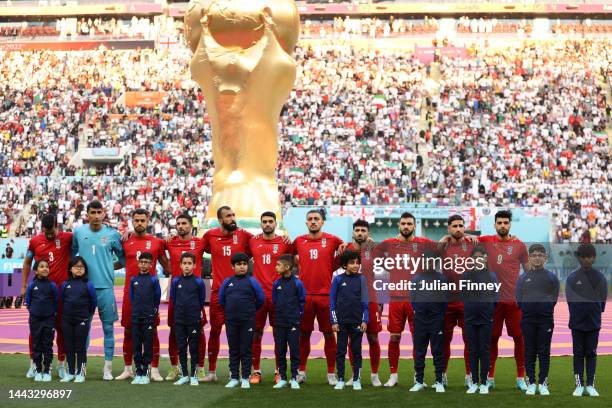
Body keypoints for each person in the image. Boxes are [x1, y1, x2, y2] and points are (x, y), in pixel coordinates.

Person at [72, 200, 125, 380]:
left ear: (104, 214)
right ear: (87, 214)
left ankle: (107, 370)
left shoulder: (112, 234)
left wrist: (109, 266)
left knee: (108, 329)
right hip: (84, 288)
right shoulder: (79, 232)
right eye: (92, 212)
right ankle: (81, 369)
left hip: (105, 288)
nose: (96, 216)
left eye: (99, 212)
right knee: (83, 329)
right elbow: (72, 256)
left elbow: (123, 260)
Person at [201, 206, 253, 383]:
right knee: (215, 332)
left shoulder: (244, 235)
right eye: (228, 216)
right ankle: (212, 371)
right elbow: (197, 248)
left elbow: (260, 247)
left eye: (233, 215)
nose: (232, 218)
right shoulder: (209, 236)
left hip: (241, 294)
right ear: (220, 220)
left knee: (243, 333)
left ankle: (246, 372)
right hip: (218, 294)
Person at [478, 210, 529, 390]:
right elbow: (465, 238)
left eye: (505, 223)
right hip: (493, 302)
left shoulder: (519, 245)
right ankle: (490, 377)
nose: (502, 226)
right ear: (494, 225)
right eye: (499, 223)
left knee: (519, 338)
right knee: (492, 338)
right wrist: (447, 238)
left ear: (510, 224)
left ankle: (520, 378)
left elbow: (529, 271)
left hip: (514, 301)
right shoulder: (487, 241)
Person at [383, 212, 435, 387]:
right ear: (399, 225)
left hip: (417, 300)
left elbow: (446, 245)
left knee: (418, 339)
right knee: (394, 337)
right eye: (403, 223)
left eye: (409, 224)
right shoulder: (388, 244)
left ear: (414, 225)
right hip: (396, 298)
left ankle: (417, 376)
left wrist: (465, 235)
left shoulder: (424, 243)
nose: (406, 226)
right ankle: (393, 375)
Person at [293, 209, 344, 385]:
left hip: (326, 296)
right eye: (310, 219)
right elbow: (287, 256)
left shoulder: (333, 240)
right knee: (303, 335)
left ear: (322, 222)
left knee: (330, 335)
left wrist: (332, 265)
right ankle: (301, 371)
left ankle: (331, 373)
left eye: (316, 219)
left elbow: (345, 251)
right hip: (304, 296)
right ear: (306, 223)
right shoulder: (298, 240)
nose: (313, 221)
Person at [118, 209, 169, 382]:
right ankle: (128, 369)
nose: (139, 223)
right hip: (129, 293)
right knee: (128, 330)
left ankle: (153, 369)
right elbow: (119, 262)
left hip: (149, 296)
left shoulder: (156, 242)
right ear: (132, 221)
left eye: (142, 220)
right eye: (136, 220)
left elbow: (167, 266)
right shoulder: (125, 240)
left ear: (148, 221)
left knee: (152, 331)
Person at [21, 213, 73, 379]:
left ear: (57, 226)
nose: (50, 235)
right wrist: (23, 285)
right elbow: (28, 262)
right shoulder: (35, 241)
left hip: (61, 294)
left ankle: (61, 365)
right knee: (35, 332)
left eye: (52, 231)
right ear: (42, 228)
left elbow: (88, 234)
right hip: (40, 295)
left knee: (61, 330)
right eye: (46, 231)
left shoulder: (67, 237)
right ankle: (34, 366)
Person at [248, 211, 293, 384]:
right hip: (258, 296)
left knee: (279, 334)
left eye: (270, 221)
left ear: (276, 224)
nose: (267, 224)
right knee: (256, 334)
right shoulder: (253, 241)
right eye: (264, 221)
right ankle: (256, 371)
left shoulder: (284, 242)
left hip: (278, 295)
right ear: (261, 224)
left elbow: (295, 257)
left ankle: (279, 371)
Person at [337, 220, 382, 387]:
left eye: (363, 230)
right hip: (351, 302)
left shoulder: (374, 249)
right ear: (353, 232)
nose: (360, 233)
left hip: (370, 299)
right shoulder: (345, 249)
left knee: (373, 337)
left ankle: (374, 375)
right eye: (357, 230)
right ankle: (355, 374)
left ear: (368, 233)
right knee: (352, 338)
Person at [164, 213, 208, 381]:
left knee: (200, 332)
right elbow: (155, 248)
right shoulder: (169, 242)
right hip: (177, 295)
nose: (180, 226)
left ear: (191, 225)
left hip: (194, 297)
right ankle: (175, 367)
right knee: (174, 332)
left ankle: (200, 367)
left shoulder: (200, 242)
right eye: (178, 223)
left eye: (184, 223)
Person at [516, 244, 559, 396]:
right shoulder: (523, 278)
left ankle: (543, 383)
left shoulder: (551, 278)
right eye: (533, 255)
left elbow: (553, 299)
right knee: (529, 352)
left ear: (545, 258)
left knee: (544, 352)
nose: (537, 258)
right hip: (528, 320)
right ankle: (531, 383)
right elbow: (519, 301)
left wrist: (544, 308)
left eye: (540, 255)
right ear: (529, 258)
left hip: (545, 321)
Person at [566, 243, 607, 397]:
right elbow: (570, 300)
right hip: (577, 323)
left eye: (589, 257)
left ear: (594, 258)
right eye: (582, 257)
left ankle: (590, 385)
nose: (585, 260)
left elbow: (602, 301)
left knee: (591, 353)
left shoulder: (600, 277)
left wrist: (595, 312)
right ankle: (578, 385)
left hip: (593, 323)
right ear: (579, 258)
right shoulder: (572, 277)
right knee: (578, 353)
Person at [219, 252, 265, 389]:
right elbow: (221, 300)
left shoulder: (252, 281)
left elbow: (261, 299)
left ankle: (245, 377)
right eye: (239, 264)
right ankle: (234, 377)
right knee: (233, 350)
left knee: (246, 349)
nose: (242, 267)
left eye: (245, 264)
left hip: (247, 321)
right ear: (233, 266)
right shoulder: (227, 282)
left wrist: (250, 311)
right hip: (231, 321)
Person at [441, 214, 473, 387]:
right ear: (449, 228)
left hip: (467, 300)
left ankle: (469, 375)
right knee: (444, 339)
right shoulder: (442, 246)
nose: (458, 229)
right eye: (454, 226)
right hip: (447, 301)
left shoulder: (473, 244)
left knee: (469, 339)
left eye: (461, 225)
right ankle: (442, 374)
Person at [409, 251, 448, 393]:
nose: (428, 264)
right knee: (419, 351)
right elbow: (412, 300)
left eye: (430, 261)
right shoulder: (415, 279)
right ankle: (419, 381)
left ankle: (439, 381)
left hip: (436, 319)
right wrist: (420, 312)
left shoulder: (442, 279)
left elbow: (445, 301)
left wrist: (438, 315)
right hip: (420, 319)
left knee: (438, 351)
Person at [330, 250, 368, 391]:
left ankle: (357, 379)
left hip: (357, 322)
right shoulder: (338, 280)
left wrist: (365, 320)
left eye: (357, 263)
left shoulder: (362, 279)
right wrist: (334, 321)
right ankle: (340, 379)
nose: (355, 265)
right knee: (340, 351)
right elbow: (332, 301)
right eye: (352, 263)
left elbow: (365, 302)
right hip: (341, 322)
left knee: (356, 351)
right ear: (345, 265)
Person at [462, 247, 498, 394]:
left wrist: (487, 310)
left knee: (484, 350)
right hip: (470, 318)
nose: (477, 260)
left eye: (480, 257)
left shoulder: (491, 276)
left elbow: (495, 297)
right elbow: (464, 295)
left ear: (485, 259)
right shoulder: (465, 276)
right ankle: (474, 382)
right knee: (472, 350)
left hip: (485, 319)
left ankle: (484, 383)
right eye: (475, 257)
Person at [170, 252, 206, 386]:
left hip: (193, 320)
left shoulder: (198, 282)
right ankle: (184, 375)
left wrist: (194, 312)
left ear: (194, 265)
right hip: (179, 320)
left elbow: (201, 300)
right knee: (181, 348)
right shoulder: (176, 281)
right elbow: (173, 299)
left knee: (194, 348)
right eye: (184, 263)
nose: (187, 266)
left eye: (189, 263)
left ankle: (194, 376)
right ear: (180, 265)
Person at [60, 257, 96, 383]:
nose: (79, 268)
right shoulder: (65, 284)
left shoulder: (88, 284)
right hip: (67, 320)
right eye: (76, 266)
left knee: (80, 347)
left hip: (82, 319)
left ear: (85, 269)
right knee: (69, 347)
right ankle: (70, 373)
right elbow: (62, 300)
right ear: (70, 269)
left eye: (82, 266)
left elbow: (93, 303)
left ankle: (81, 373)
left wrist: (85, 315)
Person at [272, 254, 305, 390]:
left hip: (293, 323)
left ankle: (294, 378)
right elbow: (274, 301)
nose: (276, 267)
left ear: (287, 267)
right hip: (280, 323)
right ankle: (283, 378)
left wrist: (297, 318)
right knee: (280, 350)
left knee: (294, 351)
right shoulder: (276, 283)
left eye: (278, 265)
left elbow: (302, 301)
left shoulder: (297, 283)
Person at [129, 252, 162, 385]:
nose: (143, 264)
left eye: (146, 262)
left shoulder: (154, 280)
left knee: (147, 346)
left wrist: (152, 312)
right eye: (141, 261)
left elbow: (157, 298)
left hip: (148, 317)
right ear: (138, 263)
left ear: (151, 264)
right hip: (136, 317)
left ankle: (146, 373)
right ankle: (138, 372)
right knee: (136, 346)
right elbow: (132, 298)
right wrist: (136, 310)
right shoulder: (133, 280)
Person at [25, 260, 58, 382]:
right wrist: (34, 312)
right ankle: (38, 370)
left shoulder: (52, 285)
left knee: (47, 344)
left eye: (47, 267)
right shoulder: (31, 286)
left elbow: (55, 301)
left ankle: (47, 370)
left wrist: (50, 314)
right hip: (35, 320)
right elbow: (28, 302)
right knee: (36, 345)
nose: (45, 269)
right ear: (36, 270)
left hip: (49, 319)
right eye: (42, 267)